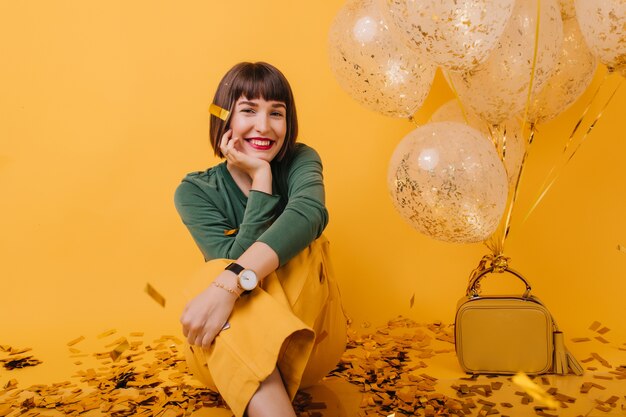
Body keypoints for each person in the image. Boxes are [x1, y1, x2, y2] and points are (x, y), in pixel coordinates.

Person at [174, 62, 347, 417]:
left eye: (276, 113)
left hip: (310, 342)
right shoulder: (194, 191)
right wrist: (261, 185)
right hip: (224, 353)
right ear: (223, 118)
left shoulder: (301, 159)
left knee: (299, 248)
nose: (264, 126)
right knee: (215, 271)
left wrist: (229, 283)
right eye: (248, 110)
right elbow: (228, 261)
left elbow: (309, 214)